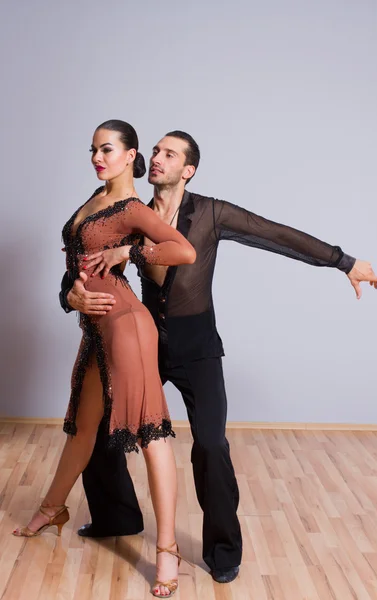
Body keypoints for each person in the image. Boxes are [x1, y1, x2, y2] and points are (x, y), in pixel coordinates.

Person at [60, 130, 377, 584]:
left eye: (169, 154)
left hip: (197, 348)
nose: (157, 159)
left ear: (188, 170)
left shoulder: (212, 213)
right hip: (147, 341)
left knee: (212, 445)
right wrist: (74, 295)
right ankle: (117, 516)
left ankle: (222, 550)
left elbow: (276, 234)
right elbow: (82, 262)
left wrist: (345, 262)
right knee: (102, 420)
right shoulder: (131, 212)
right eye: (154, 151)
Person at [14, 120, 197, 599]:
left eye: (107, 149)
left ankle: (168, 549)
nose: (98, 157)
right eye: (93, 149)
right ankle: (54, 506)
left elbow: (184, 250)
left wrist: (130, 249)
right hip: (97, 328)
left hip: (126, 325)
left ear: (131, 155)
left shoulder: (133, 207)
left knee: (151, 430)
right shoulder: (93, 201)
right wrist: (73, 297)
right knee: (84, 424)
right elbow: (73, 270)